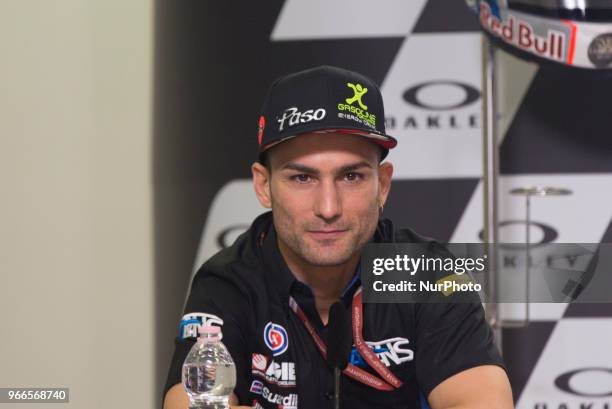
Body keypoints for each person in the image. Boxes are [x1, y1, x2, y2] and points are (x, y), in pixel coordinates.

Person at [163, 65, 513, 409]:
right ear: (264, 185)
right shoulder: (229, 283)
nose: (328, 207)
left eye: (351, 177)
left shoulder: (425, 275)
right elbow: (190, 405)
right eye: (302, 178)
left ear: (383, 184)